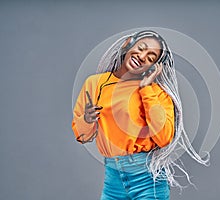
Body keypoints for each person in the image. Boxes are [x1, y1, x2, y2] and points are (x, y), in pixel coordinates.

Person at [72, 30, 210, 199]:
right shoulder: (94, 84)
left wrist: (146, 89)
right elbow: (83, 136)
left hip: (148, 180)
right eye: (141, 48)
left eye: (151, 57)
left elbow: (164, 138)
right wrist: (86, 120)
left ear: (153, 67)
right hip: (112, 179)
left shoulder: (157, 94)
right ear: (127, 44)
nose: (143, 56)